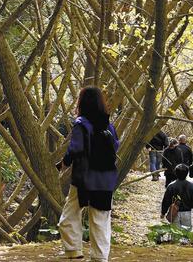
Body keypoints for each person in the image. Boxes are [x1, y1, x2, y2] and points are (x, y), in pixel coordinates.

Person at [59, 86, 119, 261]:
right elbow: (115, 147)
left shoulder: (81, 124)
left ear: (82, 103)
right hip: (106, 180)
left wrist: (64, 162)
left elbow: (75, 149)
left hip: (84, 180)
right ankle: (100, 258)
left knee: (69, 217)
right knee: (101, 221)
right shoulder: (109, 126)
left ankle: (74, 251)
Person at [161, 164, 193, 230]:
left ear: (175, 173)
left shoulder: (171, 186)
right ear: (187, 173)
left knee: (175, 233)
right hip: (187, 212)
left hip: (174, 212)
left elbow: (166, 200)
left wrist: (163, 212)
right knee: (186, 234)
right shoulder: (191, 186)